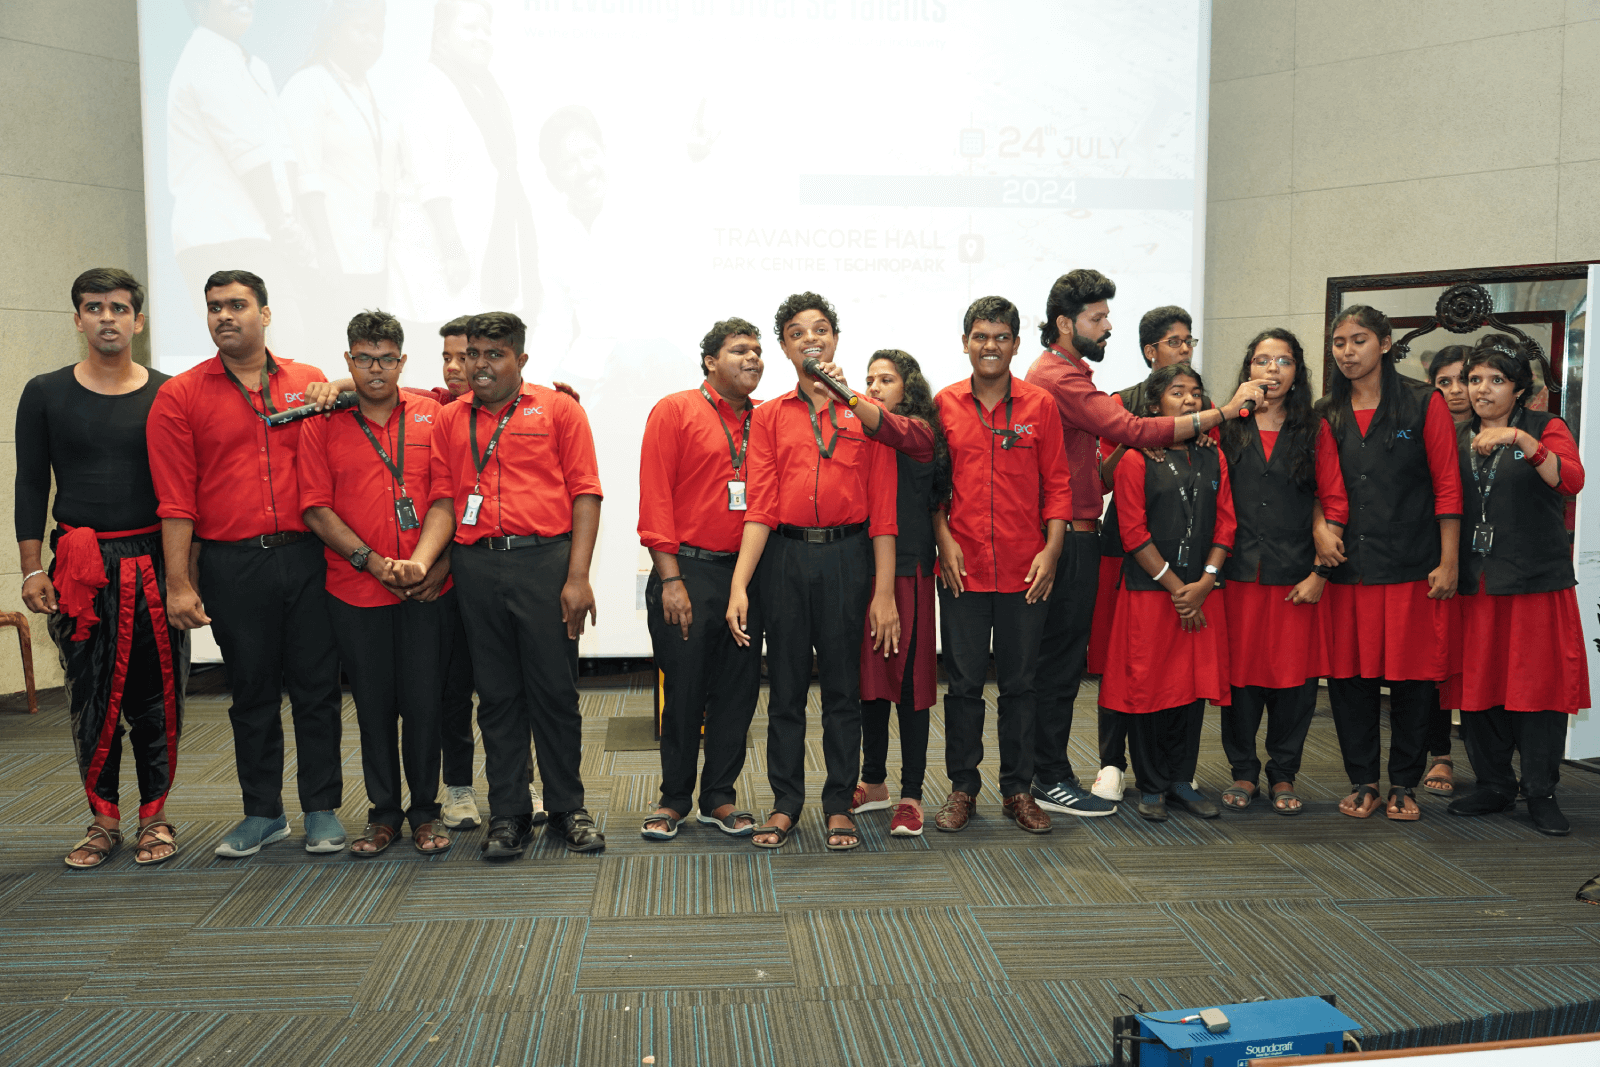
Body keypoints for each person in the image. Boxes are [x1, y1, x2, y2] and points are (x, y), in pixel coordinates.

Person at [1026, 271, 1263, 817]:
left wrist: (1126, 459)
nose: (1109, 327)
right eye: (1098, 319)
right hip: (1067, 536)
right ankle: (1048, 778)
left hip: (1080, 531)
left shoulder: (1072, 374)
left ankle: (1051, 775)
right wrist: (1224, 410)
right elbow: (1132, 429)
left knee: (1065, 667)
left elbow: (1097, 471)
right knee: (1061, 669)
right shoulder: (1058, 376)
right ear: (1066, 324)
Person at [146, 269, 346, 857]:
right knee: (252, 694)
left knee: (317, 690)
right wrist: (179, 584)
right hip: (235, 566)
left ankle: (321, 809)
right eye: (214, 308)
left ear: (265, 312)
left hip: (310, 559)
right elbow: (175, 499)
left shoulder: (309, 382)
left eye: (237, 305)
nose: (224, 316)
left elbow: (383, 410)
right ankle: (262, 812)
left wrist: (340, 386)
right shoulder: (179, 396)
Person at [15, 268, 190, 868]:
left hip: (152, 563)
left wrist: (182, 576)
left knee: (157, 697)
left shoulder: (170, 393)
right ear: (78, 319)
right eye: (95, 307)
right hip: (80, 568)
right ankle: (101, 820)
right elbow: (31, 483)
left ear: (138, 320)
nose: (107, 317)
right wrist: (31, 569)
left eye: (119, 308)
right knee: (91, 698)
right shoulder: (44, 391)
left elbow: (184, 493)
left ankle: (155, 819)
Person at [419, 311, 604, 858]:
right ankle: (509, 814)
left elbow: (586, 494)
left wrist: (578, 577)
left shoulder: (559, 409)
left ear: (520, 360)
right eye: (472, 353)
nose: (479, 365)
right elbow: (448, 500)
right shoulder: (452, 420)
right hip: (476, 566)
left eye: (493, 355)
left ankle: (569, 807)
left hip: (545, 562)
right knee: (496, 697)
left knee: (554, 693)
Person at [724, 293, 899, 852]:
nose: (811, 339)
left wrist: (885, 592)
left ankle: (838, 803)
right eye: (798, 333)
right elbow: (761, 506)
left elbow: (884, 513)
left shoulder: (865, 415)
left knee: (844, 690)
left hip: (849, 558)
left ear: (835, 341)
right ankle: (785, 803)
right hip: (787, 559)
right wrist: (739, 584)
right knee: (788, 691)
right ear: (784, 347)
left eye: (821, 330)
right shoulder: (771, 416)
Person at [298, 310, 455, 856]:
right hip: (354, 589)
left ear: (402, 362)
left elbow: (444, 498)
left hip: (425, 589)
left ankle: (426, 814)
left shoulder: (434, 416)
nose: (376, 370)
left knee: (424, 704)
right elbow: (316, 509)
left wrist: (421, 563)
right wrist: (372, 561)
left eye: (387, 359)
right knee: (372, 706)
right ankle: (384, 814)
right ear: (349, 362)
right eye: (364, 359)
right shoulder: (322, 424)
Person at [1316, 305, 1462, 821]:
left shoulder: (1425, 403)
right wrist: (1318, 526)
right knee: (1350, 682)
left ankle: (1404, 782)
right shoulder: (1324, 411)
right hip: (1347, 570)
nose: (1348, 352)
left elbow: (1447, 484)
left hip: (1411, 567)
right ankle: (1363, 781)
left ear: (1384, 342)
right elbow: (1311, 485)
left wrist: (1449, 562)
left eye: (1358, 340)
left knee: (1412, 681)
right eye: (1339, 343)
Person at [932, 297, 1072, 835]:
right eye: (980, 336)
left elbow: (1057, 485)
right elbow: (934, 491)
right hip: (962, 569)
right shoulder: (944, 405)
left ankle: (1018, 789)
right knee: (964, 685)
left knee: (1020, 685)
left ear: (1016, 343)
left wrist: (1052, 550)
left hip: (1025, 570)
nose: (990, 346)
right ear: (965, 341)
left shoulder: (1040, 405)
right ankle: (962, 789)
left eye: (1001, 336)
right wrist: (943, 540)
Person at [1443, 337, 1587, 836]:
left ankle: (1541, 792)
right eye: (1474, 379)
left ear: (1519, 389)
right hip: (1477, 583)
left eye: (1495, 381)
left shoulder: (1545, 427)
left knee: (1537, 690)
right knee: (1480, 687)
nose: (1481, 390)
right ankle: (1494, 786)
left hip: (1533, 583)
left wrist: (1521, 441)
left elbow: (1570, 479)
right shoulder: (1457, 435)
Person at [635, 318, 767, 841]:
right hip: (685, 572)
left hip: (746, 575)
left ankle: (720, 797)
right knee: (685, 692)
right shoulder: (675, 410)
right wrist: (670, 578)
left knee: (738, 692)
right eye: (740, 350)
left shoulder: (769, 419)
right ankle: (673, 800)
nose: (754, 358)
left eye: (758, 350)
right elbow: (656, 497)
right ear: (711, 361)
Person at [1217, 329, 1347, 815]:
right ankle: (1244, 772)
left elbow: (1333, 498)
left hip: (1297, 577)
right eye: (1262, 360)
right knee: (1242, 681)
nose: (1271, 370)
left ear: (1297, 374)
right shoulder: (1226, 424)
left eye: (1283, 361)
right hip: (1237, 574)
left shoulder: (1315, 428)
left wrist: (1320, 572)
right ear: (1248, 370)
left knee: (1294, 683)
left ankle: (1284, 773)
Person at [1101, 363, 1235, 821]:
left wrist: (1206, 582)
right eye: (1178, 392)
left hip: (1200, 593)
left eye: (1196, 393)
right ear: (1155, 405)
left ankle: (1182, 779)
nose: (1190, 400)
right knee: (1147, 690)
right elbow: (1132, 533)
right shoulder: (1137, 458)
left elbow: (1226, 523)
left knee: (1190, 690)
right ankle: (1152, 786)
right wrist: (1181, 590)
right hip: (1152, 594)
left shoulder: (1211, 453)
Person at [1085, 304, 1199, 801]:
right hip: (1123, 549)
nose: (1184, 349)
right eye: (1175, 342)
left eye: (1189, 342)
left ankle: (1175, 766)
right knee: (1120, 659)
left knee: (1171, 662)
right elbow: (1101, 479)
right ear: (1151, 350)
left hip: (1184, 554)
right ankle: (1112, 762)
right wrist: (1137, 439)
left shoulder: (1200, 404)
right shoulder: (1118, 402)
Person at [167, 0, 312, 355]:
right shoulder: (208, 59)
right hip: (224, 234)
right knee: (269, 356)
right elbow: (251, 157)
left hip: (257, 232)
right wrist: (282, 225)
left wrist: (294, 221)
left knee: (287, 356)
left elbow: (282, 149)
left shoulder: (252, 64)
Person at [388, 0, 540, 339]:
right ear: (440, 38)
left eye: (487, 30)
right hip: (440, 257)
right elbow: (431, 180)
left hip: (474, 255)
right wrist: (453, 251)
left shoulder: (481, 90)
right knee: (439, 363)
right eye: (470, 28)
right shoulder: (428, 89)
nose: (482, 37)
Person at [847, 350, 942, 837]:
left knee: (910, 687)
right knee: (871, 683)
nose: (876, 386)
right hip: (865, 570)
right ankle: (875, 781)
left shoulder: (919, 432)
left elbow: (890, 427)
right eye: (870, 379)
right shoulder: (862, 432)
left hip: (909, 573)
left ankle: (911, 794)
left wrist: (847, 394)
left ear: (910, 387)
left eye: (887, 379)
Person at [280, 0, 396, 344]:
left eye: (378, 32)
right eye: (362, 29)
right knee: (330, 357)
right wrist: (325, 251)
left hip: (372, 255)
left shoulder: (371, 92)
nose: (372, 40)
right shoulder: (309, 85)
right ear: (334, 32)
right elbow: (304, 176)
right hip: (329, 258)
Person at [1420, 344, 1473, 798]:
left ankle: (1496, 765)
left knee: (1478, 664)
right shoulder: (1423, 426)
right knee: (1437, 662)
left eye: (1466, 379)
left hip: (1492, 567)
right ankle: (1441, 755)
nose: (1457, 391)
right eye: (1445, 382)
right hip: (1438, 562)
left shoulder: (1509, 430)